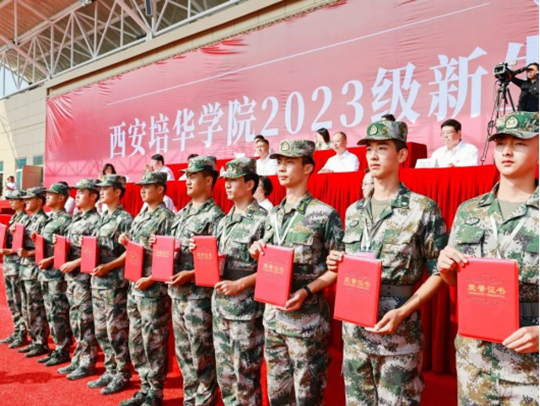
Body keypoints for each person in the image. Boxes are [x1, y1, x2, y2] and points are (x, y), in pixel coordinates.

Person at [327, 120, 448, 405]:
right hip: (355, 334)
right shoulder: (355, 211)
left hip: (398, 335)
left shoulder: (422, 209)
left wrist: (405, 311)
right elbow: (351, 262)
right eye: (369, 149)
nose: (373, 156)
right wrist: (336, 263)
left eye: (382, 148)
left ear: (402, 155)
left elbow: (440, 271)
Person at [437, 111, 539, 405]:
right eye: (501, 143)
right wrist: (446, 269)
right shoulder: (470, 210)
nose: (507, 151)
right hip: (476, 363)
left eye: (519, 144)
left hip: (531, 367)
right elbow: (458, 281)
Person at [249, 139, 344, 405]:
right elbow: (269, 257)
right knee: (277, 394)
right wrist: (258, 249)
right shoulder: (273, 214)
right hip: (273, 317)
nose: (281, 168)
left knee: (307, 396)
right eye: (279, 162)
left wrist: (306, 291)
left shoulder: (324, 215)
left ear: (308, 168)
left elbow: (339, 269)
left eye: (289, 162)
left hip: (307, 321)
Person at [191, 157, 267, 406]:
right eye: (226, 180)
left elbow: (272, 270)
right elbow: (218, 262)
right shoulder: (224, 221)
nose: (227, 185)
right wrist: (200, 252)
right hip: (221, 306)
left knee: (245, 376)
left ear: (250, 184)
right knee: (225, 375)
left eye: (234, 180)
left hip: (246, 309)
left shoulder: (264, 220)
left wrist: (240, 284)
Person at [160, 156, 224, 406]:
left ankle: (205, 401)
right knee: (184, 353)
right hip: (178, 293)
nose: (187, 181)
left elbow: (217, 262)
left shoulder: (215, 216)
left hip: (199, 297)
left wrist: (190, 274)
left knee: (201, 353)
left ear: (208, 180)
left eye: (193, 176)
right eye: (186, 176)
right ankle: (190, 400)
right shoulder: (182, 213)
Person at [118, 172, 174, 406]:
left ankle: (155, 391)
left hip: (153, 289)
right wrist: (126, 242)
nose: (142, 190)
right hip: (135, 286)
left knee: (154, 340)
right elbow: (137, 250)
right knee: (136, 339)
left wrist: (151, 278)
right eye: (141, 186)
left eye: (147, 186)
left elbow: (169, 256)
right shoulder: (140, 216)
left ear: (160, 189)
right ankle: (144, 386)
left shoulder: (166, 218)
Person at [88, 175, 133, 395]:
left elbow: (130, 251)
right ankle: (110, 369)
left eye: (106, 188)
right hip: (98, 280)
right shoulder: (102, 217)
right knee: (101, 330)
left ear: (117, 192)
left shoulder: (125, 219)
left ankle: (122, 373)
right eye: (101, 188)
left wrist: (109, 266)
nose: (102, 191)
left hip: (114, 282)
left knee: (116, 330)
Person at [57, 179, 101, 380]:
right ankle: (78, 358)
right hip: (72, 277)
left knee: (84, 320)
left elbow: (95, 253)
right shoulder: (77, 218)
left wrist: (75, 263)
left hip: (83, 277)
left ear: (93, 196)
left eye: (82, 193)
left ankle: (87, 362)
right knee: (75, 318)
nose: (77, 196)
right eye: (77, 192)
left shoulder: (96, 221)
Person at [34, 183, 73, 367]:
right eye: (47, 194)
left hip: (57, 273)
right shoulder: (50, 218)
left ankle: (63, 349)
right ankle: (58, 347)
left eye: (52, 194)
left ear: (61, 198)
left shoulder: (65, 220)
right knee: (50, 311)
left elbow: (67, 249)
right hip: (46, 273)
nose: (47, 196)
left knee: (59, 312)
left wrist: (50, 259)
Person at [17, 187, 51, 358]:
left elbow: (45, 248)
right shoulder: (30, 219)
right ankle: (34, 339)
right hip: (25, 268)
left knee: (36, 308)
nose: (26, 202)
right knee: (27, 306)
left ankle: (41, 342)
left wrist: (28, 253)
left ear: (39, 201)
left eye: (29, 199)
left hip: (35, 269)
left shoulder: (43, 220)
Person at [0, 190, 29, 349]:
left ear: (23, 201)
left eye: (14, 199)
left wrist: (9, 250)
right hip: (9, 264)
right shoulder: (14, 218)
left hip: (17, 264)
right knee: (11, 300)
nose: (11, 202)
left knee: (19, 300)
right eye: (9, 199)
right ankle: (17, 329)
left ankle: (22, 333)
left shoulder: (25, 220)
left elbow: (23, 246)